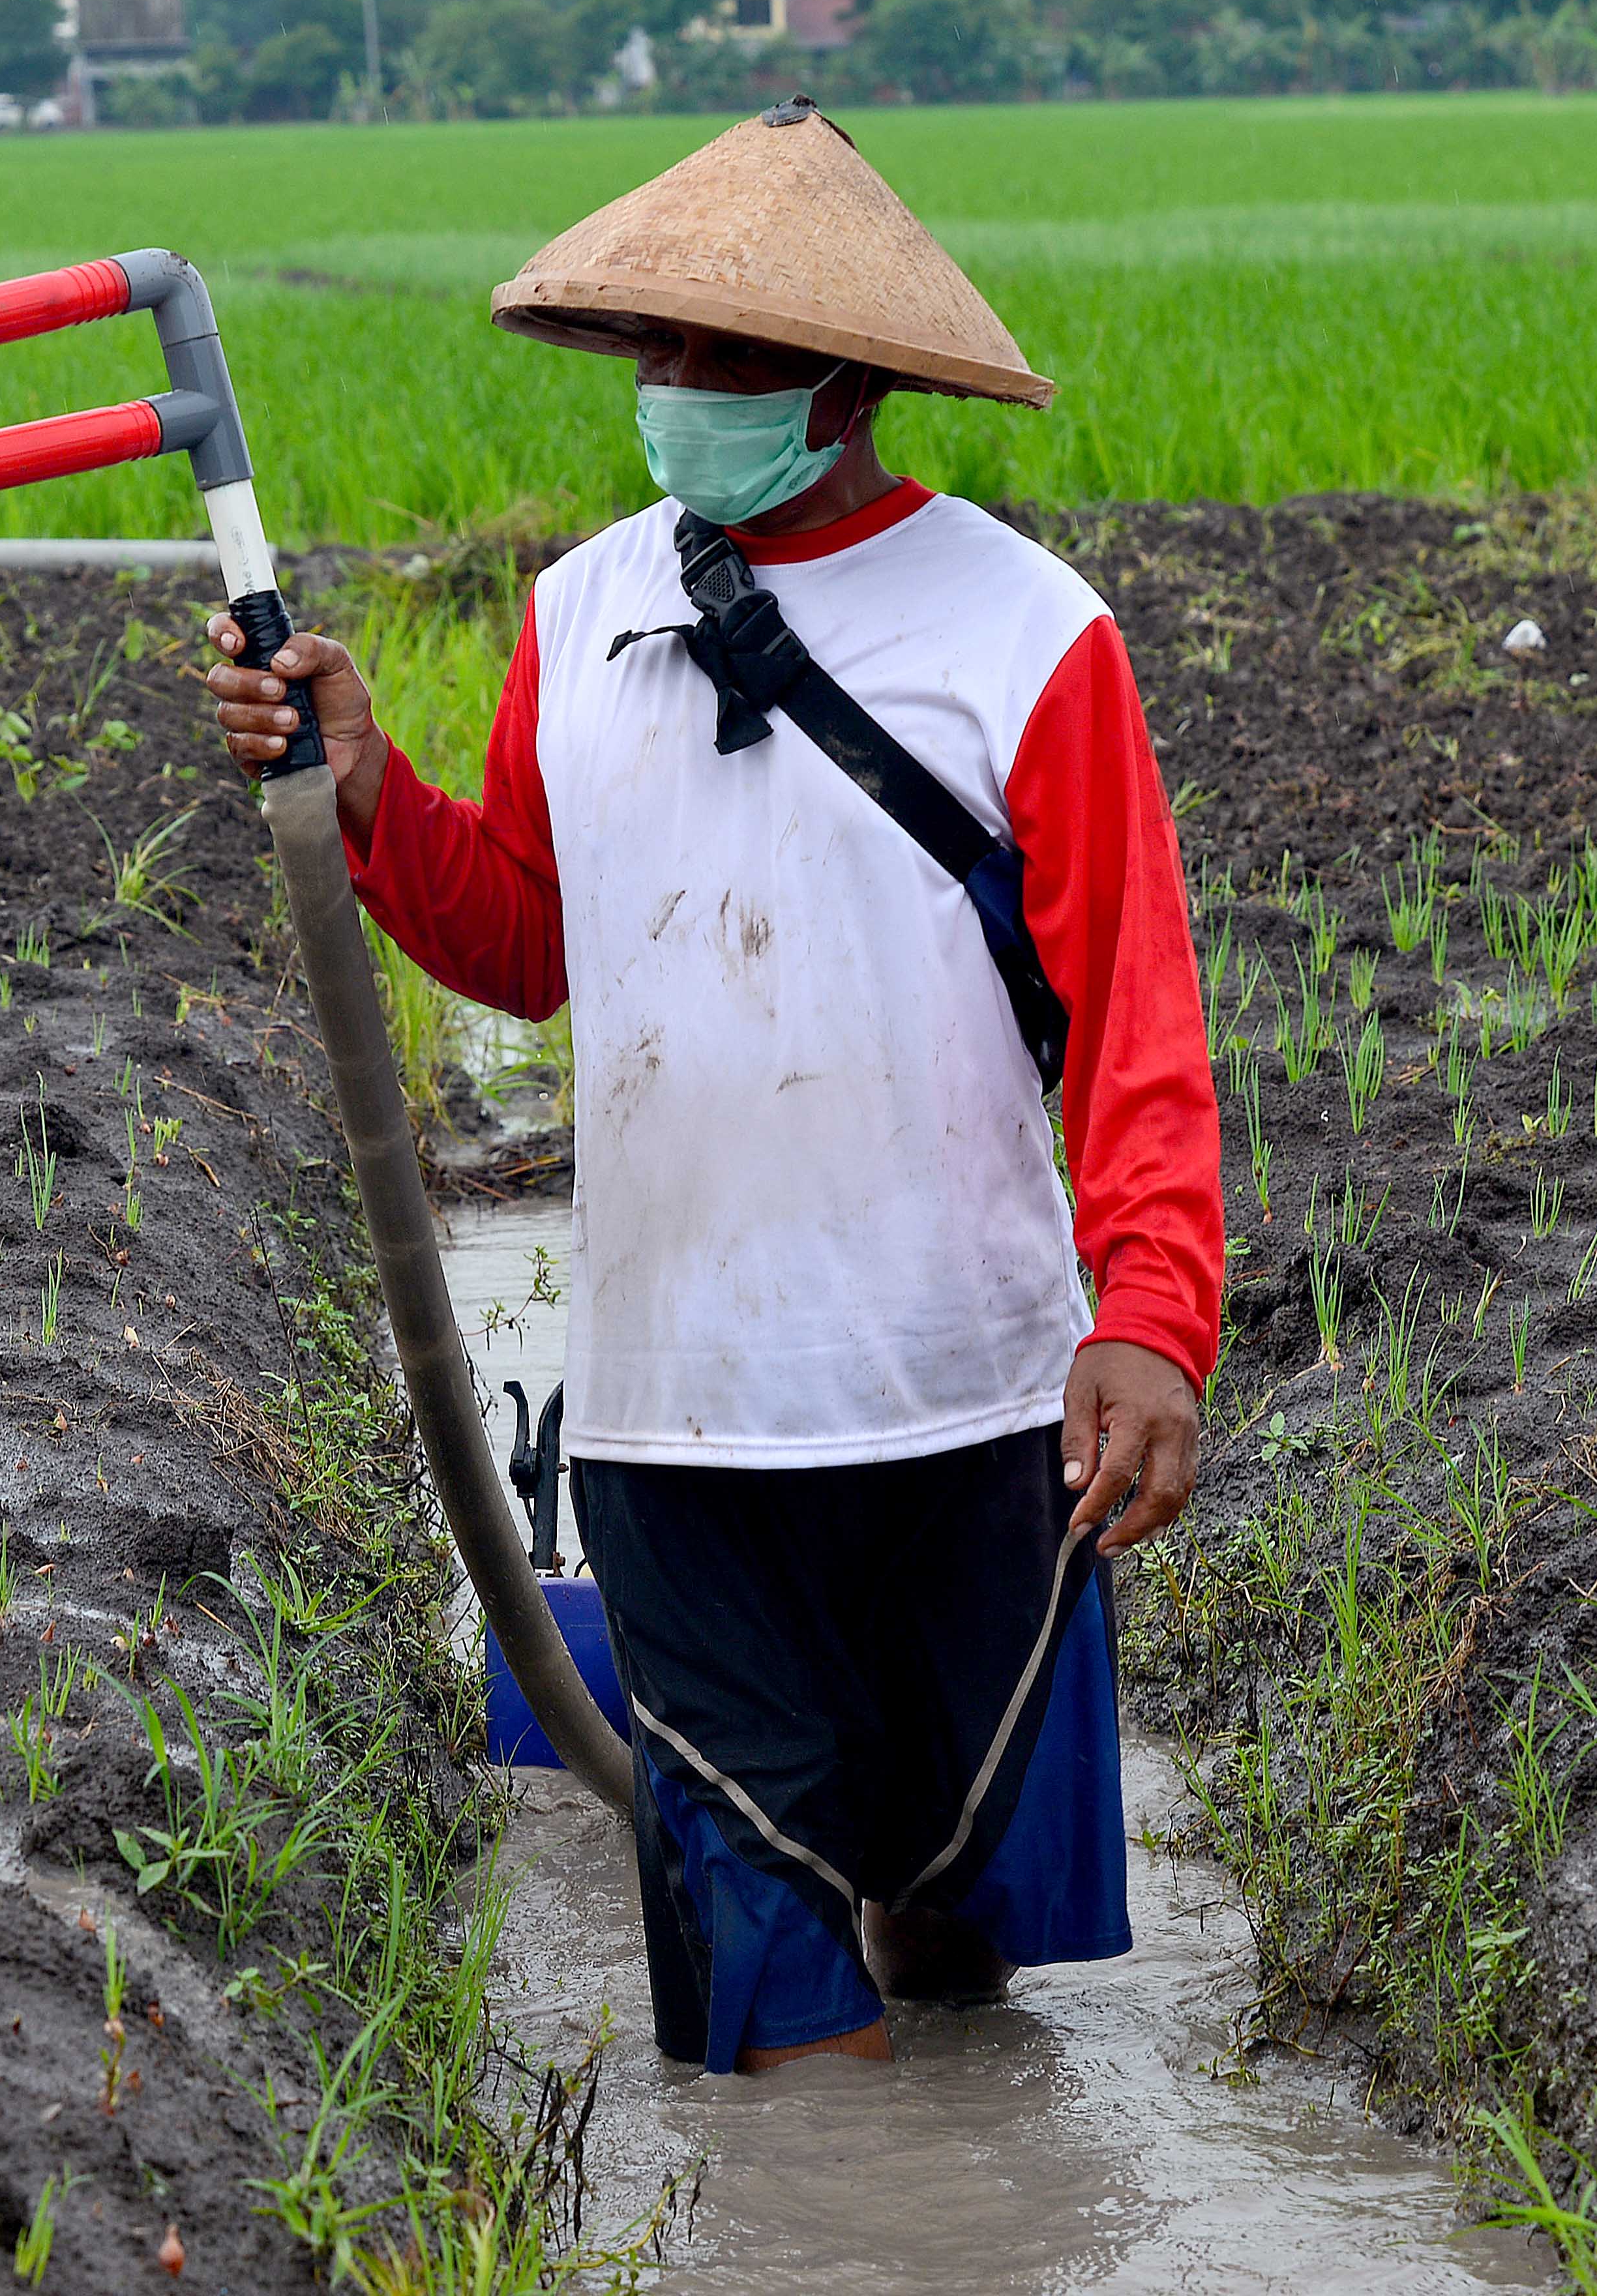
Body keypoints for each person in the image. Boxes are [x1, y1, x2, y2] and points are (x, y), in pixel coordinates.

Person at [208, 101, 1219, 2076]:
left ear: (845, 379)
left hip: (963, 1391)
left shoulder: (1023, 635)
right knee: (773, 2012)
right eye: (652, 350)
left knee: (941, 1937)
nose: (673, 390)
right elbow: (528, 940)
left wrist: (1153, 1321)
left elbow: (1134, 1021)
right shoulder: (580, 613)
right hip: (679, 1414)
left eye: (723, 353)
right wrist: (366, 793)